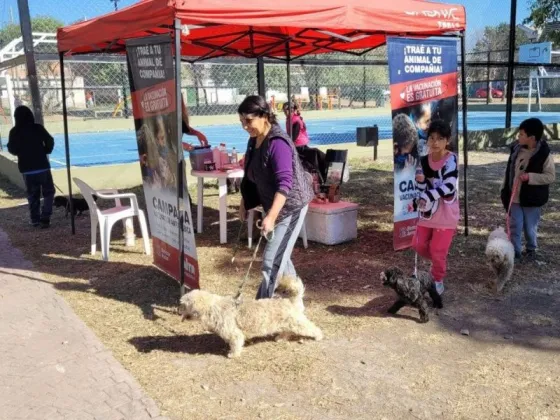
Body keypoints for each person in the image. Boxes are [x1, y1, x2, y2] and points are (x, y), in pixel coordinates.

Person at [238, 95, 314, 299]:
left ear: (264, 116)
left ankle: (259, 309)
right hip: (272, 205)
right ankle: (295, 308)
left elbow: (285, 184)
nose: (245, 126)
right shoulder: (254, 140)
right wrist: (245, 201)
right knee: (282, 256)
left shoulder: (278, 142)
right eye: (241, 121)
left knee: (271, 261)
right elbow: (252, 174)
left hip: (290, 206)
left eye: (248, 120)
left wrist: (271, 217)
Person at [412, 119, 460, 295]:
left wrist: (427, 194)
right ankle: (440, 258)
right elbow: (421, 187)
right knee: (417, 244)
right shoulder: (424, 161)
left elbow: (448, 186)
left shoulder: (451, 160)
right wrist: (421, 187)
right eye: (431, 138)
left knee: (437, 250)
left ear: (447, 140)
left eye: (440, 138)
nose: (435, 142)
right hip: (427, 214)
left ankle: (437, 279)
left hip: (446, 215)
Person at [500, 118, 555, 260]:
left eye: (521, 135)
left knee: (530, 227)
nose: (518, 137)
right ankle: (515, 252)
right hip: (515, 196)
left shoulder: (544, 155)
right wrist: (505, 187)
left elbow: (550, 176)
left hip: (532, 198)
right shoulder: (516, 150)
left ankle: (531, 248)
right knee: (515, 225)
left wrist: (530, 177)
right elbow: (510, 171)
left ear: (532, 138)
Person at [7, 105, 55, 228]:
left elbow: (12, 148)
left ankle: (35, 220)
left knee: (33, 195)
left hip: (27, 169)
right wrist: (46, 150)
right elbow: (49, 140)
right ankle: (46, 217)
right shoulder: (37, 128)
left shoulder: (14, 132)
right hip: (42, 166)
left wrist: (20, 153)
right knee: (48, 192)